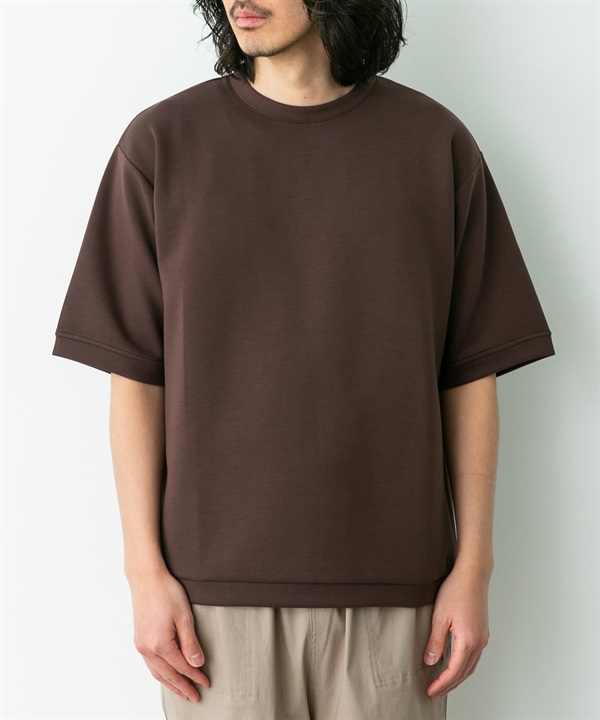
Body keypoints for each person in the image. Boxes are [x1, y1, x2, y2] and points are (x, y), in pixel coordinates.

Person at [51, 0, 556, 718]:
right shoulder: (162, 144)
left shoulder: (434, 144)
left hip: (397, 595)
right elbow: (135, 376)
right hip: (210, 604)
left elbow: (470, 373)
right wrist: (143, 573)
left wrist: (474, 568)